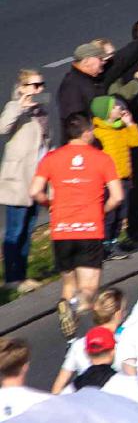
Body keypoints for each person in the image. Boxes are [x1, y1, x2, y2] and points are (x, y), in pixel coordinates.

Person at [34, 112, 120, 337]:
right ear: (87, 132)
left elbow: (35, 191)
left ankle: (70, 336)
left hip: (61, 230)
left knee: (69, 285)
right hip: (89, 229)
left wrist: (50, 204)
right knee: (89, 290)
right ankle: (72, 308)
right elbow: (117, 196)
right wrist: (101, 211)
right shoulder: (102, 158)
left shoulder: (51, 158)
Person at [1, 70, 55, 291]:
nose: (39, 89)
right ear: (22, 87)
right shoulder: (15, 109)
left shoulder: (39, 111)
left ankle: (21, 275)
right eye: (34, 85)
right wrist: (19, 106)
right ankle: (12, 278)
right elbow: (2, 127)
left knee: (27, 229)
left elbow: (46, 142)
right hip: (18, 180)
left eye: (41, 85)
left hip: (37, 179)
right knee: (15, 230)